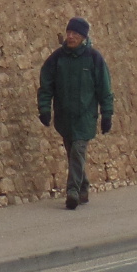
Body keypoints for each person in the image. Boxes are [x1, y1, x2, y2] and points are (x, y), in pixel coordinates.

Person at [39, 17, 114, 209]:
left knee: (78, 151)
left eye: (75, 34)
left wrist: (107, 114)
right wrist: (45, 109)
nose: (70, 37)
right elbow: (46, 86)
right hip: (64, 117)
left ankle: (72, 191)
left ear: (83, 37)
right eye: (69, 33)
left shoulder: (94, 59)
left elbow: (104, 89)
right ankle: (83, 187)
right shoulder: (57, 59)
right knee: (73, 153)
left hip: (85, 117)